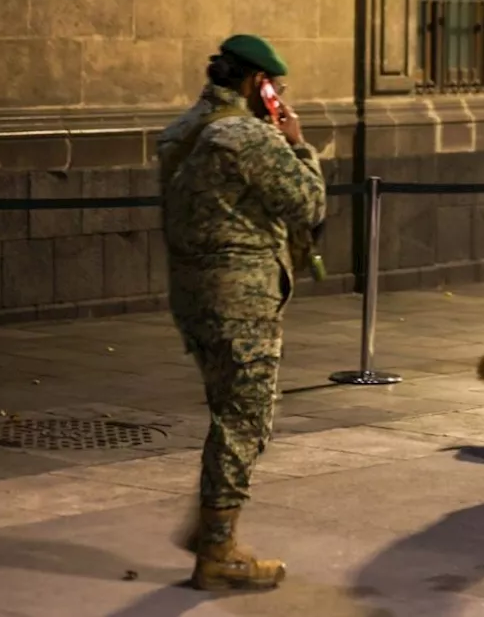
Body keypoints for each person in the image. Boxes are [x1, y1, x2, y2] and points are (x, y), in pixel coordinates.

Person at [157, 34, 327, 590]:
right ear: (261, 84)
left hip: (194, 295)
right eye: (275, 87)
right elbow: (309, 204)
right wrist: (298, 144)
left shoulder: (184, 131)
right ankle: (218, 549)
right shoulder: (249, 135)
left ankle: (210, 526)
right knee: (244, 420)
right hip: (241, 300)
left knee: (226, 411)